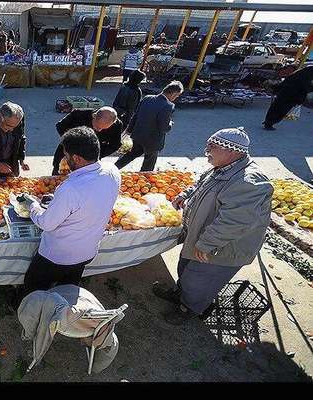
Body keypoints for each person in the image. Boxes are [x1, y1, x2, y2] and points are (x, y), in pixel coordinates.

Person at [152, 128, 273, 325]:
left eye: (212, 147)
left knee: (200, 281)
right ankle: (179, 293)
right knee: (186, 268)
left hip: (220, 247)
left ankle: (187, 309)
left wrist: (207, 243)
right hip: (202, 238)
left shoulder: (248, 182)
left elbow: (235, 222)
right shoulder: (223, 166)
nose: (206, 150)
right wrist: (185, 195)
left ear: (232, 151)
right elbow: (201, 185)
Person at [20, 127, 120, 294]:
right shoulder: (112, 171)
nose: (65, 160)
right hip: (87, 251)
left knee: (34, 285)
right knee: (68, 287)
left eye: (66, 156)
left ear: (76, 158)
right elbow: (91, 202)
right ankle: (64, 312)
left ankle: (30, 309)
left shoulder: (71, 188)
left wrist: (32, 205)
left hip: (58, 255)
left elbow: (46, 223)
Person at [115, 80, 184, 172]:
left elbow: (135, 115)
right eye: (177, 95)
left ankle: (113, 169)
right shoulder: (168, 106)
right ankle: (143, 181)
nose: (176, 98)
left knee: (131, 154)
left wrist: (129, 130)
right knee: (148, 164)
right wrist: (170, 124)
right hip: (152, 141)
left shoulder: (147, 98)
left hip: (138, 136)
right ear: (173, 94)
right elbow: (164, 128)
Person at [51, 107, 123, 175]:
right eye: (97, 126)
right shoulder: (78, 114)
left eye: (104, 128)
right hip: (67, 153)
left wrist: (96, 153)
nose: (99, 130)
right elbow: (60, 126)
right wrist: (70, 141)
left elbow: (115, 145)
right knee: (56, 178)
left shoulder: (117, 125)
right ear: (94, 116)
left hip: (90, 161)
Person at [262, 66, 313, 130]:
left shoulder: (306, 71)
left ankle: (268, 122)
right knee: (281, 109)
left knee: (276, 107)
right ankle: (269, 123)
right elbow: (305, 86)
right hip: (291, 94)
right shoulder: (308, 73)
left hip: (287, 91)